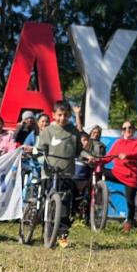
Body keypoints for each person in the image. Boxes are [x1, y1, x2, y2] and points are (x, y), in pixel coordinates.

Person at [35, 101, 83, 247]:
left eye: (66, 115)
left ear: (69, 115)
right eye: (59, 115)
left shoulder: (73, 131)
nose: (62, 118)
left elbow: (78, 150)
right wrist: (39, 156)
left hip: (67, 173)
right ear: (54, 115)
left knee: (64, 207)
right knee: (47, 204)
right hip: (49, 173)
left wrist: (86, 155)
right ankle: (47, 234)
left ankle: (62, 237)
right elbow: (40, 149)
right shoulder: (47, 131)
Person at [105, 121, 137, 232]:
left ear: (133, 130)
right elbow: (109, 157)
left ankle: (130, 221)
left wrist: (127, 155)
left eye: (130, 127)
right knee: (98, 171)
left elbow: (136, 154)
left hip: (130, 176)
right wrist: (97, 160)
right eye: (124, 128)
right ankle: (96, 199)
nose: (127, 130)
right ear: (122, 131)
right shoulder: (118, 143)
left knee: (130, 201)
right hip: (117, 173)